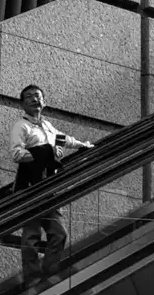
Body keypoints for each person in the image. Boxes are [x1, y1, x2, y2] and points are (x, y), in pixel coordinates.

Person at [10, 85, 94, 282]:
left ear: (44, 102)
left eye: (38, 96)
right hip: (30, 185)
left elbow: (65, 140)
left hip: (49, 185)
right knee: (31, 234)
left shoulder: (47, 126)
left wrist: (83, 146)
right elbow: (16, 154)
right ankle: (32, 278)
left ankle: (48, 274)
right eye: (29, 97)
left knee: (59, 233)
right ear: (22, 104)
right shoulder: (21, 126)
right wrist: (45, 153)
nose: (34, 100)